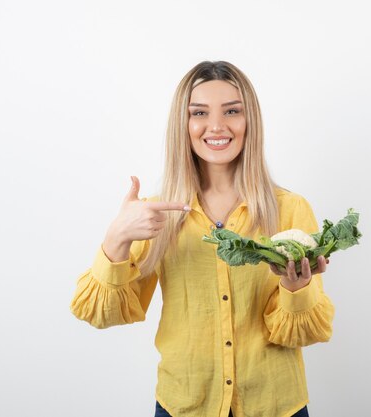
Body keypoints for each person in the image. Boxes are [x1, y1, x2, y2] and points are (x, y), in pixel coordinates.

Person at [70, 61, 335, 417]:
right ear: (183, 123)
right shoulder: (156, 214)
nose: (216, 126)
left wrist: (295, 290)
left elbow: (302, 333)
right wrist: (116, 238)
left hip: (274, 406)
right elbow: (101, 314)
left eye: (232, 111)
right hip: (184, 404)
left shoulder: (290, 209)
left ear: (249, 121)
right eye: (199, 112)